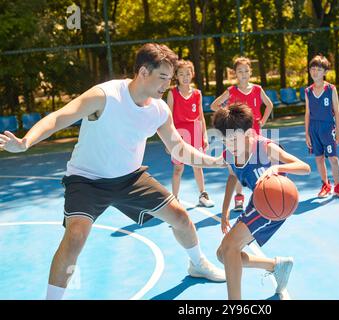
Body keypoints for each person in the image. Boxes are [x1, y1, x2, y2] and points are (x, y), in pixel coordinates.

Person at [0, 43, 226, 300]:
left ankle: (197, 264)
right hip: (87, 179)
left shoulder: (159, 110)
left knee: (181, 217)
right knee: (75, 237)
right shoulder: (104, 96)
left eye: (170, 78)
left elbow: (178, 148)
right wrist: (26, 142)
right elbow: (60, 117)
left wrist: (215, 162)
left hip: (130, 178)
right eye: (163, 77)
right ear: (143, 72)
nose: (167, 84)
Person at [212, 103, 311, 300]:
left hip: (274, 204)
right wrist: (224, 212)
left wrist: (276, 169)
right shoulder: (229, 154)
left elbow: (304, 167)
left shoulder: (266, 148)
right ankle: (275, 265)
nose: (228, 144)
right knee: (222, 254)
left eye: (233, 139)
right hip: (258, 202)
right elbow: (232, 177)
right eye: (224, 140)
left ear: (248, 134)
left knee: (230, 247)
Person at [210, 57, 274, 211]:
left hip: (254, 133)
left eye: (246, 70)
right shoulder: (231, 91)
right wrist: (227, 114)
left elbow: (269, 105)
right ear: (235, 74)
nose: (243, 74)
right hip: (236, 136)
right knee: (239, 167)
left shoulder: (258, 89)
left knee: (259, 165)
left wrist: (263, 120)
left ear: (251, 72)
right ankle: (239, 199)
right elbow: (214, 105)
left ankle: (262, 195)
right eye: (240, 71)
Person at [167, 59, 214, 207]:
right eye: (181, 74)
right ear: (176, 76)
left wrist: (204, 135)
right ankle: (175, 199)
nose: (185, 77)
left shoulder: (197, 94)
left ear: (192, 74)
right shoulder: (172, 93)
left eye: (188, 73)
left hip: (195, 132)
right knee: (178, 168)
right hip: (179, 134)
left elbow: (201, 116)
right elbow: (167, 118)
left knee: (197, 165)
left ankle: (202, 195)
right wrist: (169, 140)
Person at [304, 54, 339, 199]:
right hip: (314, 129)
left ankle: (338, 186)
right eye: (312, 69)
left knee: (333, 159)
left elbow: (337, 111)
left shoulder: (331, 89)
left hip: (327, 128)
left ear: (324, 72)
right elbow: (307, 113)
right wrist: (306, 134)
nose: (315, 72)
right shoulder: (308, 91)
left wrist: (338, 132)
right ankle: (325, 184)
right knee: (319, 158)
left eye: (318, 69)